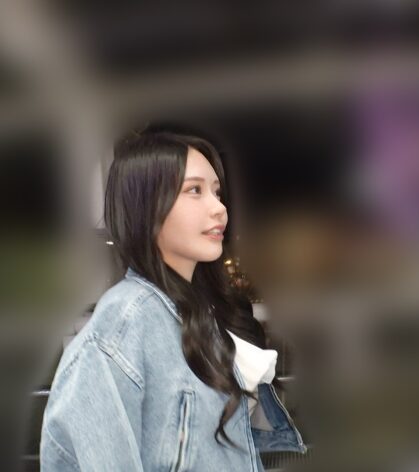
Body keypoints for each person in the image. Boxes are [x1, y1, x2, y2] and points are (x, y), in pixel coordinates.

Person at [40, 131, 306, 471]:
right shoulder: (127, 321)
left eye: (217, 192)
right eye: (194, 190)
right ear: (146, 206)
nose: (220, 208)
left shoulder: (195, 309)